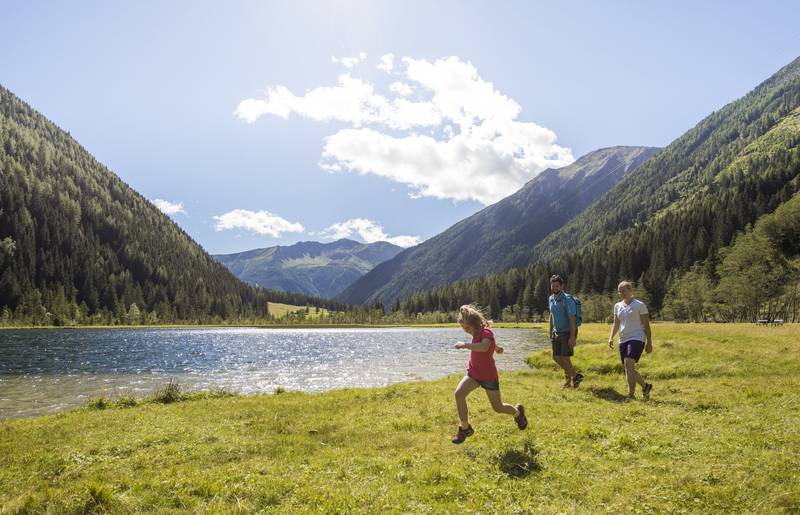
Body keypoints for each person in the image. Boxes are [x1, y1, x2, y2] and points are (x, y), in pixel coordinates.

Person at [451, 304, 527, 444]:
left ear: (475, 324)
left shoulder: (486, 332)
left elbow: (485, 346)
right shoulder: (476, 332)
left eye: (467, 327)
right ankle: (465, 428)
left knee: (498, 408)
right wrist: (497, 348)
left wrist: (465, 345)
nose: (466, 331)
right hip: (473, 373)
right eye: (463, 328)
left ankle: (518, 413)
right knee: (459, 394)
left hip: (488, 376)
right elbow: (491, 345)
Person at [608, 280, 653, 399]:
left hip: (637, 337)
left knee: (628, 363)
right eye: (619, 291)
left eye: (624, 290)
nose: (621, 293)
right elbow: (616, 323)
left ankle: (630, 394)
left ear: (630, 290)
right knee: (628, 368)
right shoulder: (617, 306)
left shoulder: (639, 305)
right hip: (623, 339)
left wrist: (649, 342)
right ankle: (645, 386)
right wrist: (611, 337)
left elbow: (646, 324)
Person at [548, 275, 584, 388]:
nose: (555, 288)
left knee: (565, 358)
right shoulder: (551, 298)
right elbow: (551, 315)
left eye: (557, 286)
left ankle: (569, 382)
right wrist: (550, 331)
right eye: (553, 286)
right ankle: (576, 376)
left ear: (562, 286)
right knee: (556, 357)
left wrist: (572, 336)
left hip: (567, 332)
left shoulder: (567, 299)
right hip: (556, 332)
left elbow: (572, 318)